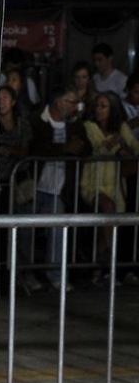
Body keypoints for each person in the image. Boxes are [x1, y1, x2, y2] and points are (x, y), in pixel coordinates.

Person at [29, 87, 91, 290]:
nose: (75, 106)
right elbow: (34, 149)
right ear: (58, 101)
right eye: (71, 101)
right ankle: (24, 274)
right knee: (22, 230)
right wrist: (64, 149)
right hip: (33, 185)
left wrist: (79, 146)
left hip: (60, 188)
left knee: (57, 229)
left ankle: (55, 274)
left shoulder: (75, 124)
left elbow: (87, 148)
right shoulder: (37, 120)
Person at [80, 91, 139, 284]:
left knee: (106, 224)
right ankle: (110, 265)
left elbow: (134, 146)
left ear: (112, 109)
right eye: (97, 105)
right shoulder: (89, 126)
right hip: (93, 182)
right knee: (107, 211)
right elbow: (99, 145)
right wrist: (118, 146)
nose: (99, 109)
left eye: (104, 106)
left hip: (115, 185)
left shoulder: (121, 127)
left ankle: (99, 269)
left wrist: (126, 148)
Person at [0, 85, 40, 293]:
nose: (2, 101)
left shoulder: (23, 125)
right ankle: (1, 276)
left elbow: (28, 150)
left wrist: (10, 150)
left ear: (13, 101)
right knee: (0, 233)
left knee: (23, 231)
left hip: (21, 184)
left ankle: (22, 274)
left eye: (5, 97)